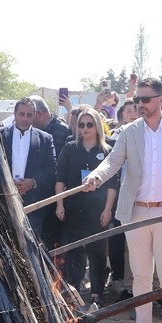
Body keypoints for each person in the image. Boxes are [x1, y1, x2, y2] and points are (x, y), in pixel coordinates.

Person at [82, 77, 162, 323]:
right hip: (136, 212)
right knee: (141, 275)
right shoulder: (128, 132)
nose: (140, 105)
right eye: (137, 100)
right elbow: (112, 161)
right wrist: (96, 176)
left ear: (161, 99)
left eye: (145, 99)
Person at [54, 105, 118, 305]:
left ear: (97, 126)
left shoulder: (107, 150)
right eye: (82, 124)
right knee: (74, 251)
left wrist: (108, 209)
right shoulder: (70, 148)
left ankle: (97, 293)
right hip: (73, 207)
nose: (85, 128)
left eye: (90, 124)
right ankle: (75, 290)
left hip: (97, 209)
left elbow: (112, 184)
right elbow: (60, 178)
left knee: (97, 251)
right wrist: (59, 204)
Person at [1, 97, 57, 243]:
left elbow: (52, 169)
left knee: (30, 245)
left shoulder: (45, 139)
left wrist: (33, 182)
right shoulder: (0, 135)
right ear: (15, 114)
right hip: (3, 200)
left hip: (33, 205)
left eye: (29, 115)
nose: (25, 118)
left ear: (34, 115)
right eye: (21, 114)